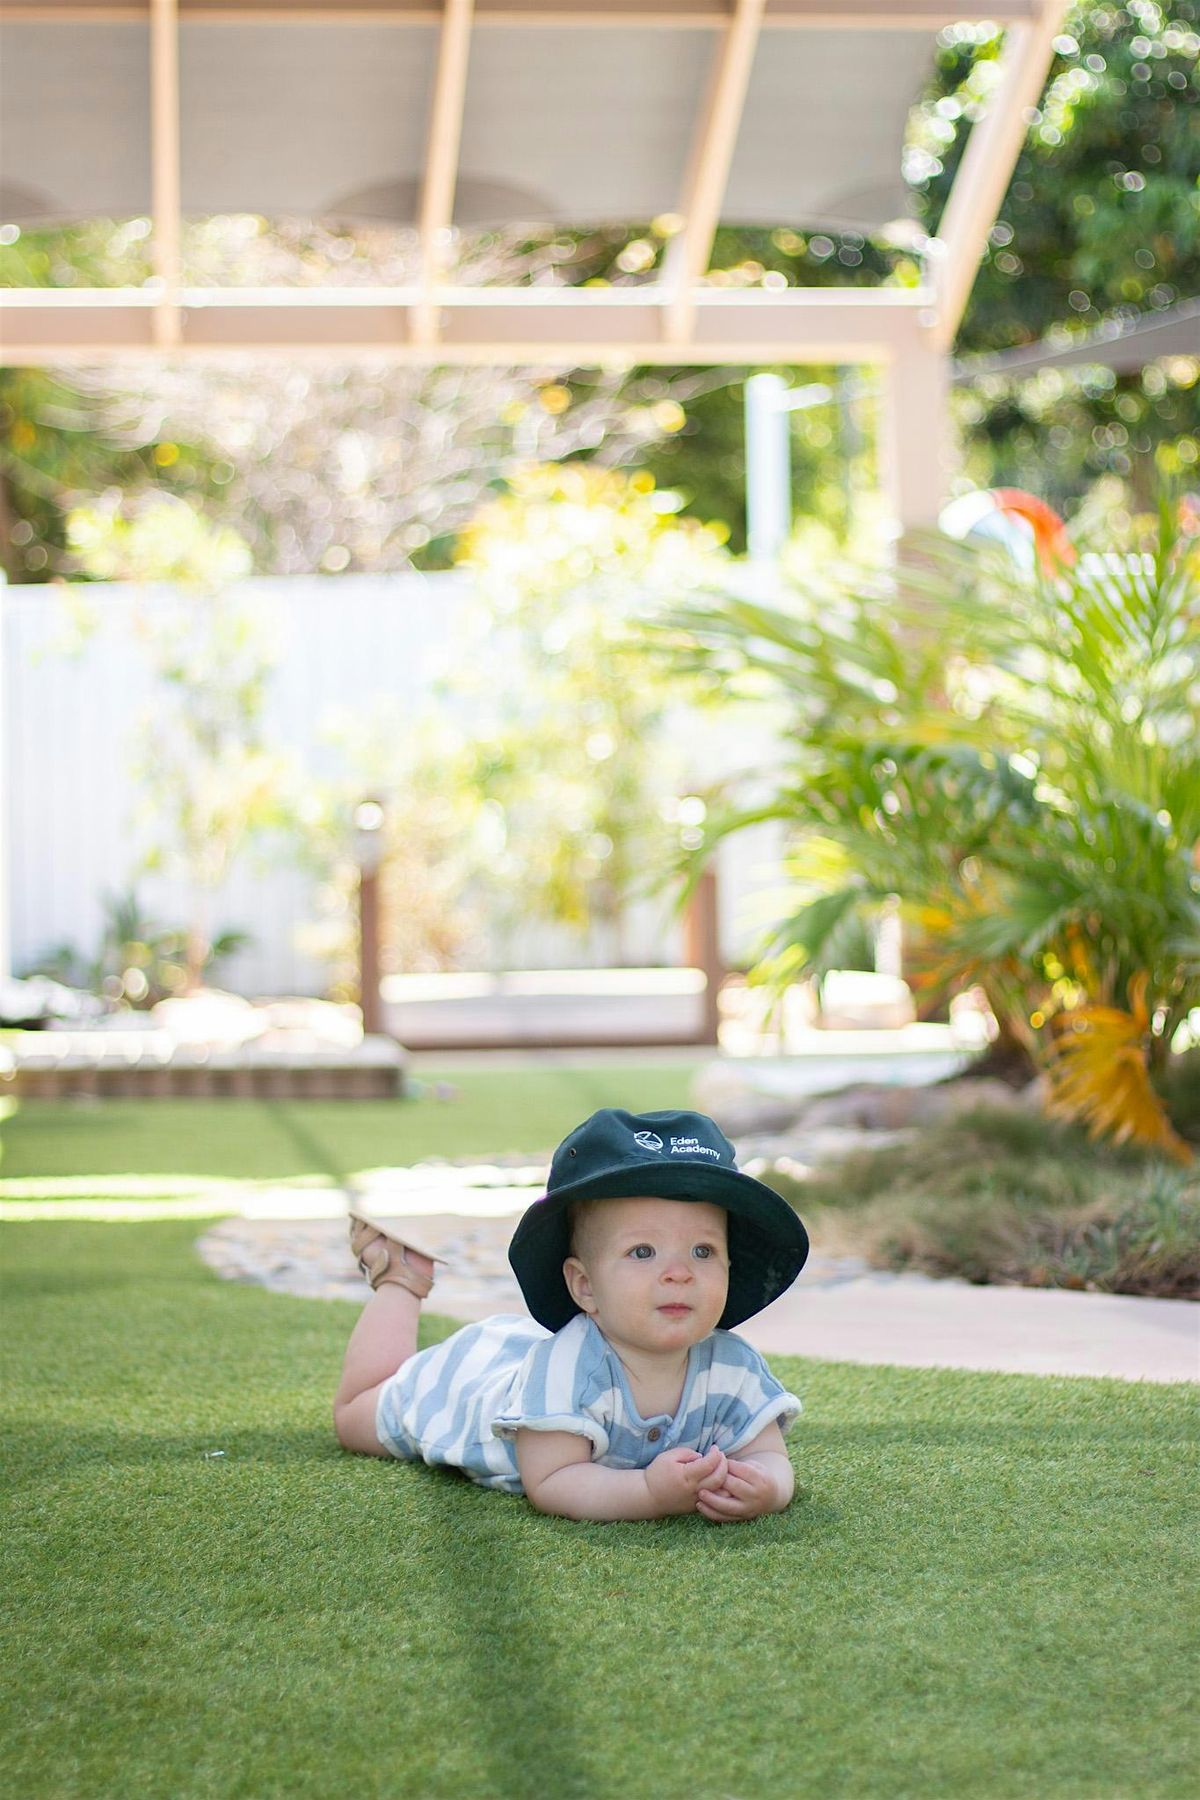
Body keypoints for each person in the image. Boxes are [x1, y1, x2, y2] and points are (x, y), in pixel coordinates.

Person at [332, 1107, 809, 1522]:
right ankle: (400, 1281)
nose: (679, 1273)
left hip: (521, 1354)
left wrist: (768, 1486)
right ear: (585, 1285)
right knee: (356, 1418)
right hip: (465, 1385)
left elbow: (768, 1454)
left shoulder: (733, 1366)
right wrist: (648, 1492)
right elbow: (554, 1479)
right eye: (643, 1251)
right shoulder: (565, 1368)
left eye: (703, 1251)